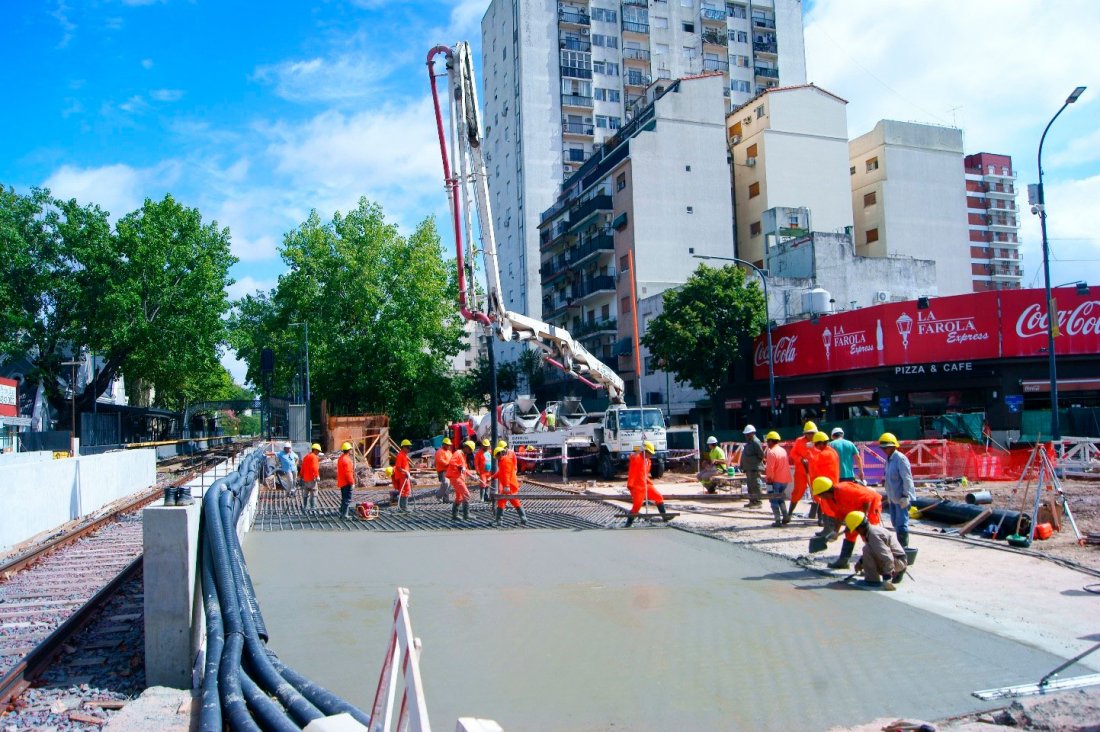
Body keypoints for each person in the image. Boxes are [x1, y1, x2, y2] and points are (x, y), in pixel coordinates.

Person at [811, 477, 883, 569]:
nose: (820, 498)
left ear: (826, 491)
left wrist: (863, 517)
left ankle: (875, 564)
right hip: (854, 509)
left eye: (820, 495)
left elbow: (867, 498)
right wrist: (835, 531)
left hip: (870, 506)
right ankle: (843, 561)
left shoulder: (845, 490)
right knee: (850, 533)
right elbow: (839, 514)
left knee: (868, 534)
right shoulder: (829, 499)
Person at [845, 511, 907, 590]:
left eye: (856, 530)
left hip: (898, 562)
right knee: (867, 549)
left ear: (860, 527)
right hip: (896, 561)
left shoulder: (873, 535)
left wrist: (887, 579)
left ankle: (872, 581)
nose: (858, 532)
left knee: (866, 549)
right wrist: (860, 562)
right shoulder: (871, 531)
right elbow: (874, 550)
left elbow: (888, 558)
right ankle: (872, 579)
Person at [880, 432, 916, 547]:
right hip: (893, 497)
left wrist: (906, 496)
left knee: (901, 524)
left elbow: (907, 478)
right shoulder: (888, 459)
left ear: (893, 446)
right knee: (895, 522)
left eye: (886, 448)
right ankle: (900, 547)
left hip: (901, 497)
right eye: (883, 448)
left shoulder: (900, 459)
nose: (884, 450)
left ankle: (904, 548)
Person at [625, 442, 670, 527]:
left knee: (658, 497)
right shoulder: (637, 457)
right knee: (637, 505)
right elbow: (632, 456)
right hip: (636, 486)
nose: (650, 455)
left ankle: (664, 517)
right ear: (645, 451)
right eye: (649, 453)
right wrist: (639, 450)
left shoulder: (648, 461)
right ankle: (628, 523)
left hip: (646, 484)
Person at [491, 441, 527, 526]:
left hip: (509, 486)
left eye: (496, 456)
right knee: (514, 501)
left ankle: (499, 521)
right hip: (509, 486)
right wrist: (492, 477)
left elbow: (507, 474)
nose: (496, 458)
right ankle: (523, 519)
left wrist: (506, 486)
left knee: (503, 501)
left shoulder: (505, 461)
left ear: (499, 454)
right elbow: (501, 472)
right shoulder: (503, 460)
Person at [809, 431, 840, 530]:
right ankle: (827, 529)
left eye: (816, 444)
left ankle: (828, 530)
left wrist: (810, 451)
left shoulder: (824, 454)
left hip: (826, 486)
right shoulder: (832, 452)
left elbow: (814, 467)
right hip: (831, 483)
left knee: (827, 508)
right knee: (826, 507)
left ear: (822, 443)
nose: (816, 447)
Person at [787, 421, 817, 521]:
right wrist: (801, 459)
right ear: (805, 433)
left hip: (814, 472)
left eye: (812, 433)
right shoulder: (799, 441)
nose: (811, 435)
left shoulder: (819, 441)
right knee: (797, 492)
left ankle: (819, 518)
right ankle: (789, 514)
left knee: (817, 493)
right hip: (801, 472)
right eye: (809, 433)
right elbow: (793, 454)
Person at [763, 431, 791, 526]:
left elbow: (770, 468)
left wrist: (769, 480)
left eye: (768, 441)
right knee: (780, 498)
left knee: (773, 500)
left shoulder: (771, 452)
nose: (767, 443)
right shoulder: (782, 450)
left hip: (775, 480)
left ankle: (777, 520)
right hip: (785, 480)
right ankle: (785, 516)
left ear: (771, 441)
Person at [447, 440, 476, 521]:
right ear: (466, 447)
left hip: (459, 477)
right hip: (456, 477)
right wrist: (460, 467)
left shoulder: (463, 455)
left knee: (459, 497)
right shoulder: (458, 453)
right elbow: (452, 463)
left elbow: (465, 469)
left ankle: (454, 515)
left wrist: (472, 476)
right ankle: (466, 514)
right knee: (466, 494)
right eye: (470, 450)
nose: (470, 452)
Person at [740, 425, 765, 507]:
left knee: (755, 485)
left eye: (747, 434)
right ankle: (752, 501)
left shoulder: (756, 442)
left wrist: (754, 463)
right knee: (750, 486)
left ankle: (757, 502)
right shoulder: (749, 443)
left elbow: (761, 455)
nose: (746, 436)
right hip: (749, 468)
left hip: (754, 468)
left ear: (752, 433)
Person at [336, 441, 356, 518]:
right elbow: (348, 473)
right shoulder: (347, 460)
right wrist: (352, 482)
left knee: (344, 498)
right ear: (349, 450)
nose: (351, 451)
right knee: (347, 499)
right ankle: (345, 515)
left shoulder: (341, 458)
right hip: (347, 482)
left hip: (342, 482)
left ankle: (342, 513)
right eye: (350, 449)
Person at [300, 443, 322, 511]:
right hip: (312, 478)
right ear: (315, 450)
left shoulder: (306, 457)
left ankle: (305, 506)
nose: (318, 453)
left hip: (305, 479)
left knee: (306, 492)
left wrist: (301, 476)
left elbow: (302, 468)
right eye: (318, 451)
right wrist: (317, 475)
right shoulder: (314, 457)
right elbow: (314, 467)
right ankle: (313, 507)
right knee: (314, 492)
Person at [393, 439, 413, 512]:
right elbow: (398, 467)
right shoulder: (400, 455)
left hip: (405, 476)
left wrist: (407, 472)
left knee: (406, 491)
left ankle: (404, 507)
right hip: (402, 476)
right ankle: (403, 508)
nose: (409, 449)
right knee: (404, 491)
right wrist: (405, 472)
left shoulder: (404, 455)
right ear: (403, 447)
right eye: (407, 447)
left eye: (409, 447)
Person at [434, 437, 453, 503]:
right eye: (447, 445)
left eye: (449, 445)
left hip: (449, 470)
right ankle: (438, 495)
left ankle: (446, 499)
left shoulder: (449, 452)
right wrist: (449, 464)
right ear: (444, 444)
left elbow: (452, 459)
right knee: (446, 483)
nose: (449, 446)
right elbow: (440, 460)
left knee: (449, 485)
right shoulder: (440, 451)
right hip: (442, 471)